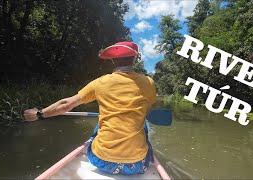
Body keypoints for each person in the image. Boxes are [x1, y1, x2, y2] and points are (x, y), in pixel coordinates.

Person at [23, 41, 157, 175]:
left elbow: (66, 104)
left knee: (100, 124)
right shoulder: (148, 82)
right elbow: (147, 112)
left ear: (112, 61)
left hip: (102, 161)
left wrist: (39, 114)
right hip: (137, 164)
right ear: (134, 59)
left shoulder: (100, 83)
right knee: (142, 123)